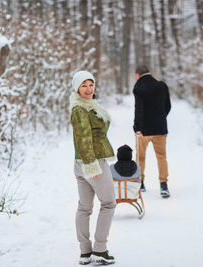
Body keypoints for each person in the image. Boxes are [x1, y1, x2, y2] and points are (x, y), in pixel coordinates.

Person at [70, 70, 116, 265]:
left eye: (91, 85)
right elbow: (83, 139)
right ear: (77, 88)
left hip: (82, 163)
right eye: (84, 86)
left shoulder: (89, 105)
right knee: (108, 203)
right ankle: (100, 249)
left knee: (85, 207)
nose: (88, 89)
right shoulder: (80, 109)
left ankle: (85, 252)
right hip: (92, 162)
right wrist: (92, 166)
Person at [132, 65, 171, 198]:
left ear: (137, 75)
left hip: (143, 130)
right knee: (161, 156)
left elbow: (139, 109)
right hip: (160, 128)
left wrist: (137, 128)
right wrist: (160, 118)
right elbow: (168, 106)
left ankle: (141, 182)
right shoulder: (162, 86)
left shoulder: (138, 89)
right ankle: (164, 185)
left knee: (140, 157)